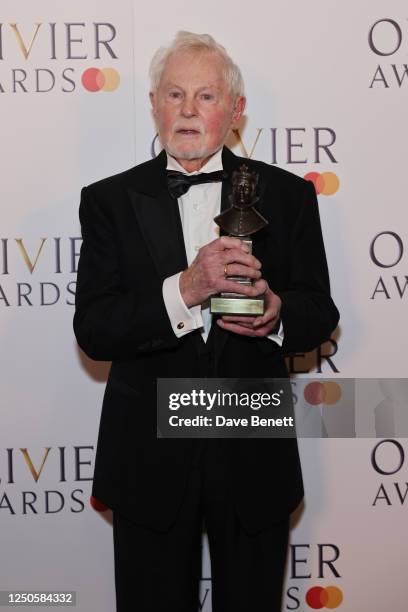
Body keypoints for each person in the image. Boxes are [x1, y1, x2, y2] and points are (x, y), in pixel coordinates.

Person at [73, 31, 339, 612]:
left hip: (253, 445)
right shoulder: (108, 201)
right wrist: (184, 290)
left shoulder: (289, 196)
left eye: (206, 97)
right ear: (153, 105)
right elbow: (94, 328)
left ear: (236, 111)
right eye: (174, 95)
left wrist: (276, 315)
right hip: (149, 452)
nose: (188, 111)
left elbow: (320, 311)